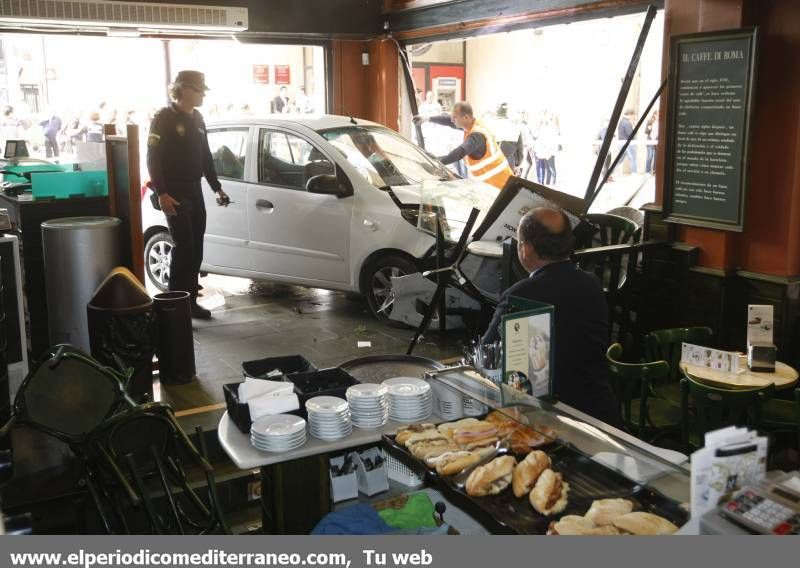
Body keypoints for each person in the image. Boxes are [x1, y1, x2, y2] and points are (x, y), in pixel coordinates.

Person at [482, 207, 621, 426]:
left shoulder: (520, 294)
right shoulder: (591, 284)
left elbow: (487, 355)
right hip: (600, 409)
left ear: (525, 249)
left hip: (550, 419)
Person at [147, 70, 230, 320]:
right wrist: (162, 193)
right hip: (174, 192)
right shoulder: (163, 118)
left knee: (197, 249)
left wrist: (217, 187)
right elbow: (153, 158)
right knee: (184, 248)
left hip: (195, 189)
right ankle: (175, 306)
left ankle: (190, 301)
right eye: (198, 90)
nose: (203, 94)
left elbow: (205, 156)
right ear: (183, 89)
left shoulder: (198, 118)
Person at [416, 101, 513, 190]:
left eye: (455, 117)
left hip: (500, 186)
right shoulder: (472, 123)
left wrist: (438, 162)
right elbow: (449, 121)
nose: (452, 120)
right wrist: (427, 118)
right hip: (489, 186)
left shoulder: (477, 135)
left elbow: (460, 152)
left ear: (466, 117)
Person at [489, 103, 525, 174]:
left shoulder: (489, 125)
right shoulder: (515, 127)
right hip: (509, 162)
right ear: (506, 112)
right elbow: (520, 149)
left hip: (493, 161)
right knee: (508, 184)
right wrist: (517, 164)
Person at [618, 109, 638, 174]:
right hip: (628, 144)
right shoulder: (627, 122)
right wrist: (633, 126)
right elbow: (630, 135)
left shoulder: (621, 122)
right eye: (633, 116)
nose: (634, 117)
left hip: (621, 143)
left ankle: (610, 172)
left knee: (619, 160)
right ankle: (634, 174)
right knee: (632, 159)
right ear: (630, 114)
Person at [645, 110, 659, 175]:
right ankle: (647, 171)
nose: (658, 116)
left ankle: (655, 171)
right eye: (657, 115)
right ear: (654, 115)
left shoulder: (661, 122)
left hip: (657, 142)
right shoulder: (650, 121)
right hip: (650, 141)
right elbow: (646, 131)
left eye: (659, 115)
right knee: (650, 156)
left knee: (656, 157)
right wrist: (649, 129)